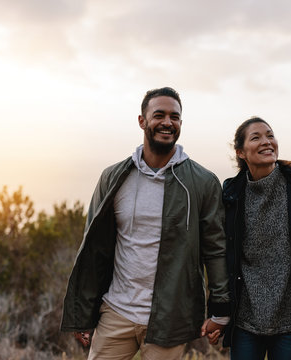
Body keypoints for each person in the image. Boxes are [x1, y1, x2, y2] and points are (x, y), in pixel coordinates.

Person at [60, 87, 230, 360]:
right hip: (116, 312)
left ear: (181, 124)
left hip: (170, 317)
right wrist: (84, 312)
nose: (167, 122)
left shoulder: (202, 182)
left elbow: (215, 248)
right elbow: (93, 248)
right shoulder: (113, 177)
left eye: (174, 117)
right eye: (159, 115)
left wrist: (221, 310)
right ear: (142, 121)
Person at [220, 117, 291, 360]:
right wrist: (217, 312)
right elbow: (220, 254)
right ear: (241, 152)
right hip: (245, 319)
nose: (266, 141)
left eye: (270, 135)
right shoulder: (231, 195)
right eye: (256, 137)